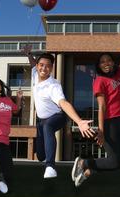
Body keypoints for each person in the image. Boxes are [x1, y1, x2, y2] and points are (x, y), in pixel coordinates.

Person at [24, 46, 95, 179]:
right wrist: (28, 54)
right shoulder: (35, 72)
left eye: (47, 66)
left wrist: (79, 121)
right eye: (41, 65)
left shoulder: (53, 86)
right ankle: (45, 160)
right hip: (40, 120)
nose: (43, 68)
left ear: (52, 68)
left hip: (57, 116)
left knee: (48, 126)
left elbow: (63, 103)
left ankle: (50, 166)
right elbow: (33, 63)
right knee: (40, 156)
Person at [71, 41, 120, 187]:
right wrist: (101, 130)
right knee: (113, 161)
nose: (106, 63)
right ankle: (83, 162)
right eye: (102, 62)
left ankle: (86, 172)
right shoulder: (100, 81)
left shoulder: (119, 73)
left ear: (113, 62)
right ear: (99, 66)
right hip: (108, 121)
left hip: (119, 120)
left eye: (109, 60)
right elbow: (102, 106)